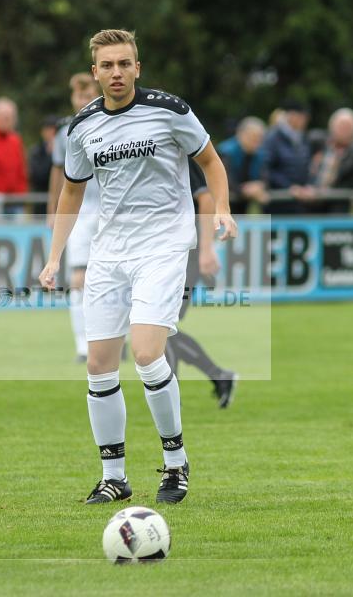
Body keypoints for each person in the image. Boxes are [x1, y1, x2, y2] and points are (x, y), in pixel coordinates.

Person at [39, 29, 237, 505]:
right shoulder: (82, 126)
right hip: (110, 252)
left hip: (164, 246)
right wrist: (53, 256)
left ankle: (175, 463)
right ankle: (114, 476)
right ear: (95, 73)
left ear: (137, 68)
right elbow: (71, 190)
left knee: (148, 353)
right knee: (99, 366)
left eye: (124, 64)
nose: (116, 73)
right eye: (107, 66)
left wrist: (223, 210)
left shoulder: (170, 110)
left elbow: (210, 161)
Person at [165, 156, 239, 407]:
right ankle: (215, 377)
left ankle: (171, 393)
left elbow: (206, 198)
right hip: (167, 254)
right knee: (160, 326)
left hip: (187, 254)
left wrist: (206, 249)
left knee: (162, 326)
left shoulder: (180, 153)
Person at [49, 73, 102, 363]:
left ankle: (114, 338)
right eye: (78, 96)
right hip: (80, 213)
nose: (82, 100)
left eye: (87, 94)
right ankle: (82, 344)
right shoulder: (64, 132)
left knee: (115, 278)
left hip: (111, 210)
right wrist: (52, 212)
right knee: (78, 278)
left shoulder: (111, 122)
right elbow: (59, 175)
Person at [308, 108, 353, 214]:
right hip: (309, 207)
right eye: (340, 126)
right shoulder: (317, 145)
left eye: (347, 128)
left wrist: (320, 193)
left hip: (336, 210)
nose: (343, 131)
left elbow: (350, 182)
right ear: (332, 127)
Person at [260, 100, 313, 215]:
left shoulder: (302, 137)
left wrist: (307, 186)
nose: (305, 121)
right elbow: (266, 169)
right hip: (277, 204)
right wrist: (289, 187)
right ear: (292, 116)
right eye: (302, 117)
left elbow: (306, 166)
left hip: (299, 203)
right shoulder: (272, 138)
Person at [217, 117, 267, 215]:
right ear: (241, 134)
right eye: (253, 137)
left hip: (243, 205)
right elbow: (223, 179)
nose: (257, 142)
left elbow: (265, 177)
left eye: (260, 138)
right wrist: (243, 190)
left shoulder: (259, 153)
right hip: (224, 206)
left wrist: (260, 185)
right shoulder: (225, 152)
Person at [28, 116, 59, 218]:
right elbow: (38, 176)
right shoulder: (36, 151)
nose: (52, 134)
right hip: (40, 204)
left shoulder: (70, 150)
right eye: (48, 130)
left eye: (54, 130)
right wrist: (52, 156)